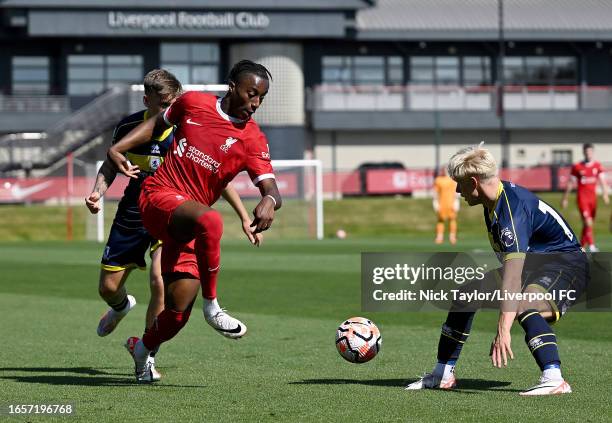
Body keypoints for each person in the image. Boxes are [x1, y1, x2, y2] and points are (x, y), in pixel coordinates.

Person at [108, 60, 281, 382]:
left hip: (186, 224)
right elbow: (157, 123)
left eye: (261, 98)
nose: (255, 103)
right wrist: (118, 147)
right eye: (251, 94)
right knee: (212, 221)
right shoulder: (194, 103)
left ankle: (142, 349)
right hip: (158, 196)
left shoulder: (253, 139)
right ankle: (213, 306)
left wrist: (268, 201)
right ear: (232, 87)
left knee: (175, 313)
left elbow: (271, 188)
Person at [406, 143, 588, 396]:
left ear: (474, 182)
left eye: (459, 183)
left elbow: (512, 279)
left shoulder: (511, 212)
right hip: (533, 266)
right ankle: (442, 373)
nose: (457, 190)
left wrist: (503, 330)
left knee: (524, 305)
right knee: (465, 295)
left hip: (566, 265)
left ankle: (554, 377)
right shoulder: (494, 201)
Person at [561, 143, 609, 252]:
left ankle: (580, 246)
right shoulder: (577, 167)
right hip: (582, 199)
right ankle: (592, 246)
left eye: (590, 152)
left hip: (593, 199)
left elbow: (602, 181)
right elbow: (570, 183)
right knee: (588, 222)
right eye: (587, 152)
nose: (589, 154)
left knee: (588, 224)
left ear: (593, 152)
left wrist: (605, 194)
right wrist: (565, 198)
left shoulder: (597, 166)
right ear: (584, 152)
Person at [433, 166, 459, 245]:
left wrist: (456, 202)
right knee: (441, 220)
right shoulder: (438, 180)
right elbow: (435, 192)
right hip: (442, 203)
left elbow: (456, 192)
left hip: (451, 203)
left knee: (452, 220)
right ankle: (439, 237)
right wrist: (435, 202)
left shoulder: (452, 180)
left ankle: (452, 237)